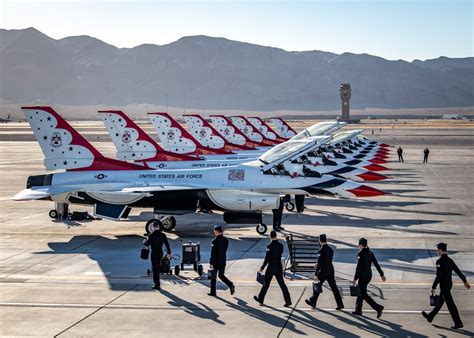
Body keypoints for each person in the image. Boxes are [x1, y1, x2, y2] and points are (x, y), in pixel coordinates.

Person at [422, 243, 470, 329]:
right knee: (440, 301)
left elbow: (439, 276)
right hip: (449, 284)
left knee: (451, 305)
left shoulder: (439, 261)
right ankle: (430, 316)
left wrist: (433, 286)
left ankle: (458, 323)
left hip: (444, 286)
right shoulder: (450, 260)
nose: (436, 251)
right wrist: (465, 281)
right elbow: (458, 271)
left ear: (440, 250)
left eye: (437, 250)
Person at [305, 234, 344, 310]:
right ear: (326, 240)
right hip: (330, 270)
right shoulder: (330, 250)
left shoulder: (321, 250)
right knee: (334, 288)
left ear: (320, 240)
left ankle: (313, 301)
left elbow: (320, 263)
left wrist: (316, 273)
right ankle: (340, 303)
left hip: (324, 271)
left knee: (317, 285)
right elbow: (327, 260)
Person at [254, 230, 292, 307]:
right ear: (276, 236)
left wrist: (262, 268)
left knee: (266, 284)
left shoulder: (269, 246)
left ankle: (260, 298)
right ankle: (288, 300)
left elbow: (267, 258)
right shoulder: (281, 246)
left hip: (271, 267)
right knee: (282, 284)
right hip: (279, 266)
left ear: (270, 237)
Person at [352, 238, 386, 318]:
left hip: (363, 277)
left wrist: (355, 278)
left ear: (361, 245)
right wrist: (382, 274)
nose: (358, 246)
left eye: (358, 245)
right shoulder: (370, 253)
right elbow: (376, 264)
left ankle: (378, 308)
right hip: (368, 276)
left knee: (363, 294)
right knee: (361, 291)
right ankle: (358, 310)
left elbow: (359, 267)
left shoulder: (360, 254)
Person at [143, 220, 171, 290]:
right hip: (160, 253)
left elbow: (146, 244)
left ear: (153, 227)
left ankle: (157, 284)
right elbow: (167, 244)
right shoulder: (163, 235)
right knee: (158, 267)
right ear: (158, 227)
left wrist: (144, 241)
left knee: (155, 269)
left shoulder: (151, 235)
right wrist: (169, 252)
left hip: (154, 253)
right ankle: (157, 283)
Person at [209, 225, 235, 296]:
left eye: (214, 231)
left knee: (213, 277)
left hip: (216, 261)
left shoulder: (214, 241)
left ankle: (213, 292)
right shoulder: (226, 240)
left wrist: (211, 262)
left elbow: (213, 253)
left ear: (217, 231)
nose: (214, 232)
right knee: (221, 275)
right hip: (223, 260)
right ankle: (230, 284)